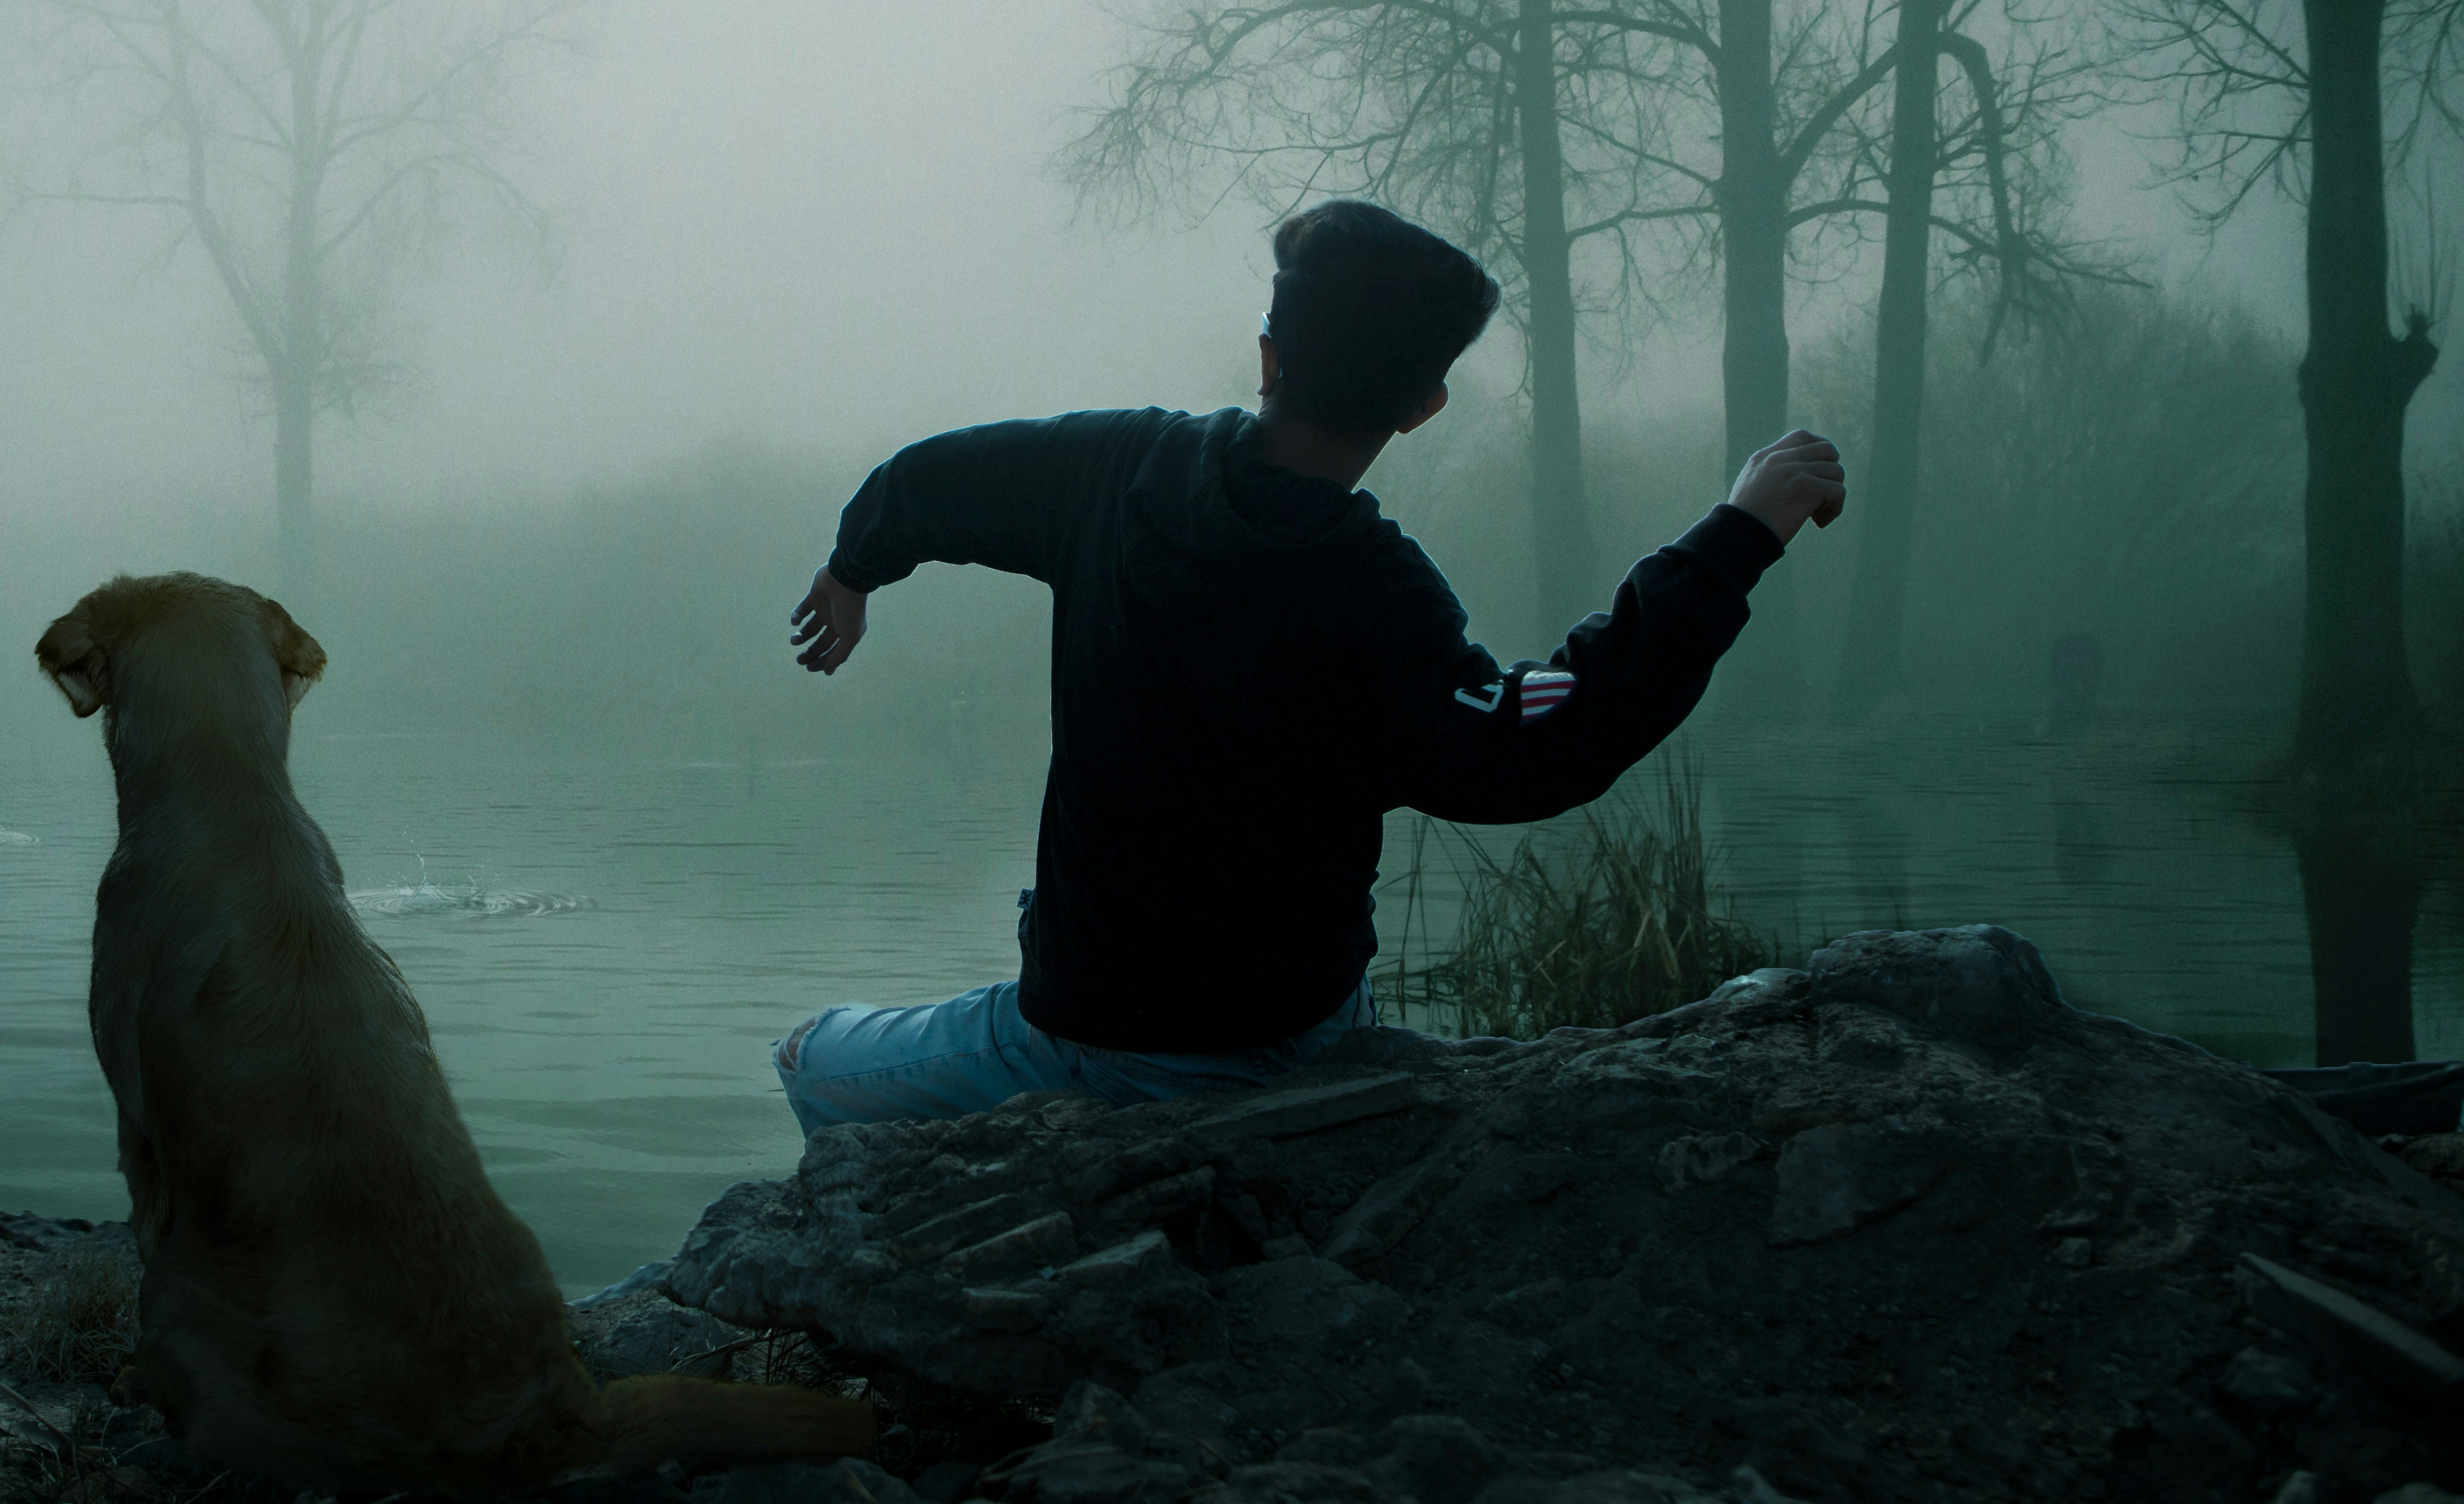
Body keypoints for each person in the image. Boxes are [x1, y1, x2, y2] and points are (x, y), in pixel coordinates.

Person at [771, 200, 1844, 1135]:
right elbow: (1537, 738)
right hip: (1298, 1031)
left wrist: (852, 569)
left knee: (812, 1059)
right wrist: (1736, 537)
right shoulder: (1378, 591)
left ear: (1269, 355)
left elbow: (932, 480)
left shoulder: (1109, 468)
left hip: (1100, 1039)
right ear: (1423, 405)